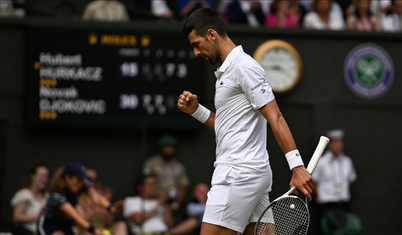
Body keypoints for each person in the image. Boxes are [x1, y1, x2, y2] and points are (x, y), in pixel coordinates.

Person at [177, 8, 313, 235]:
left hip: (237, 175)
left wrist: (297, 166)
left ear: (212, 34)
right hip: (252, 175)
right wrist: (196, 111)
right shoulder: (227, 72)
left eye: (197, 44)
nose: (196, 52)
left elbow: (275, 116)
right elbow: (227, 128)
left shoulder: (243, 67)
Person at [37, 162, 121, 235]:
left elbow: (96, 197)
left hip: (65, 223)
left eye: (82, 179)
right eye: (78, 179)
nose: (81, 183)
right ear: (67, 178)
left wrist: (110, 208)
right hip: (49, 223)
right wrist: (93, 230)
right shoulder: (57, 194)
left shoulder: (82, 182)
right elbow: (75, 216)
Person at [312, 129, 357, 230]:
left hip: (344, 205)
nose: (338, 144)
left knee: (346, 230)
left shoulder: (347, 161)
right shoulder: (321, 162)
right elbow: (314, 183)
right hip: (326, 206)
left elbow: (349, 181)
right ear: (329, 144)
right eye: (335, 142)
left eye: (340, 141)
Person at [143, 134, 190, 212]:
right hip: (155, 201)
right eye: (168, 147)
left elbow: (183, 186)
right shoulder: (151, 163)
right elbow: (145, 184)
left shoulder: (178, 165)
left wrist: (176, 204)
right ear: (161, 148)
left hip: (174, 201)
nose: (172, 150)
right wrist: (160, 200)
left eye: (173, 147)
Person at [75, 169, 127, 235]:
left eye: (94, 180)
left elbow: (109, 221)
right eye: (89, 179)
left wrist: (107, 201)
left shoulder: (101, 198)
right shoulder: (79, 200)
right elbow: (82, 221)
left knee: (121, 225)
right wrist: (92, 206)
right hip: (87, 231)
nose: (91, 182)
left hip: (103, 231)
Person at [11, 164, 49, 235]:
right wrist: (39, 216)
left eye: (46, 176)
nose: (44, 179)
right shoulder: (25, 194)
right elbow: (16, 217)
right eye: (41, 176)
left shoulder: (47, 196)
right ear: (33, 176)